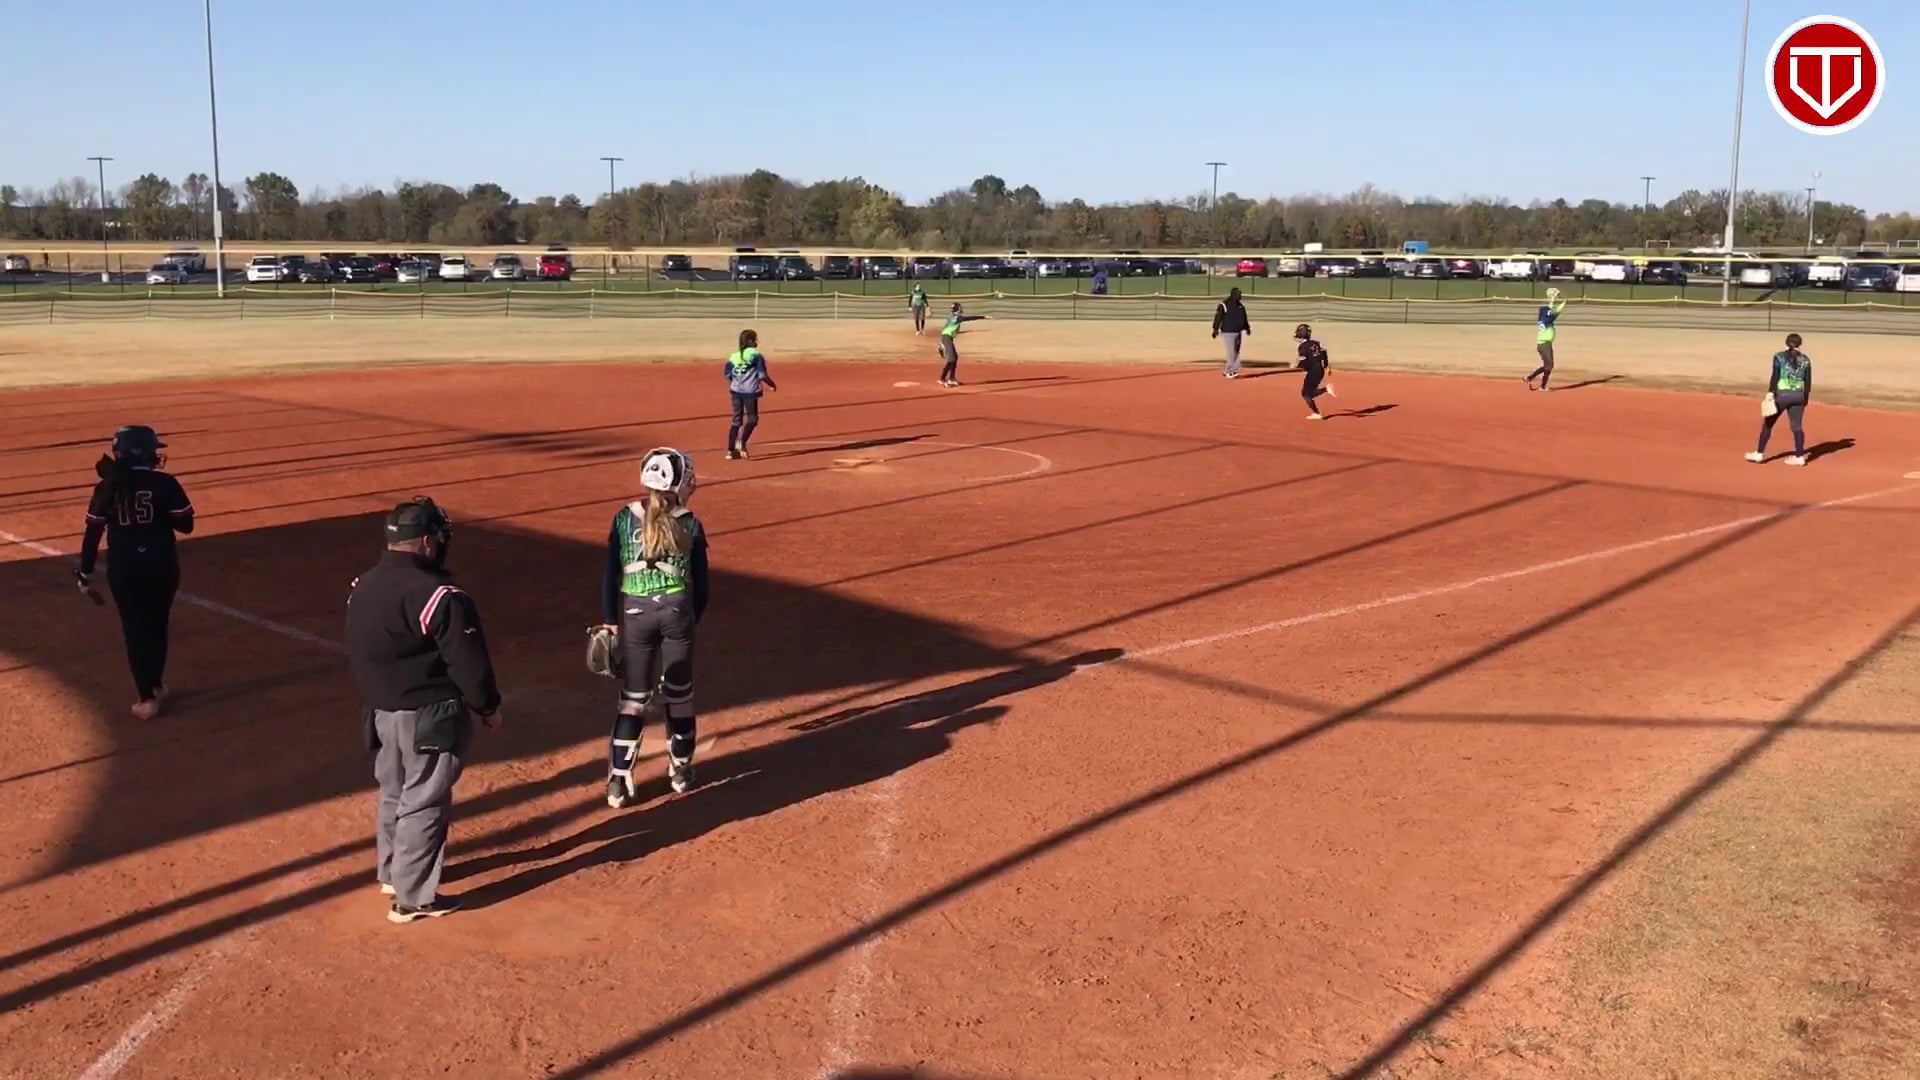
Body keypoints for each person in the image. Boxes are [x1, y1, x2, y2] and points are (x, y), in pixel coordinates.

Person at [345, 497, 503, 924]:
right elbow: (468, 663)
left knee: (394, 791)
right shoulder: (440, 595)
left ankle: (392, 873)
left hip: (381, 710)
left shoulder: (362, 585)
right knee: (425, 799)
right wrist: (487, 706)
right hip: (429, 715)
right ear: (429, 543)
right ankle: (412, 898)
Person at [601, 448, 711, 808]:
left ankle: (618, 782)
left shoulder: (622, 518)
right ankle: (680, 771)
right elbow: (702, 588)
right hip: (677, 613)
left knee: (633, 699)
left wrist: (611, 622)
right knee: (679, 695)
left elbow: (609, 576)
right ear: (677, 483)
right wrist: (689, 622)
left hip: (635, 615)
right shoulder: (690, 523)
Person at [74, 425, 194, 721]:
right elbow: (185, 525)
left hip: (124, 567)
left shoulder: (107, 486)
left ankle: (146, 696)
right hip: (162, 563)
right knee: (157, 624)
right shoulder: (165, 483)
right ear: (146, 453)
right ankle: (156, 683)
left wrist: (85, 571)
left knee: (134, 629)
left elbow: (92, 534)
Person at [1746, 333, 1813, 466]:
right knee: (1797, 427)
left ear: (1786, 343)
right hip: (1799, 395)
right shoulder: (1806, 360)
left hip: (1782, 395)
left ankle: (1759, 453)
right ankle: (1800, 456)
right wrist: (1805, 399)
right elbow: (1808, 381)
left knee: (1768, 425)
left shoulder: (1779, 357)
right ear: (1800, 344)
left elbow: (1775, 376)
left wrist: (1771, 392)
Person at [724, 329, 778, 460]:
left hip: (735, 391)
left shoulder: (733, 356)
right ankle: (742, 442)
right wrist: (771, 384)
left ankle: (730, 451)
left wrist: (737, 383)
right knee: (752, 419)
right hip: (750, 392)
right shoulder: (756, 356)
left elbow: (727, 374)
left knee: (736, 420)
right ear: (751, 341)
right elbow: (762, 375)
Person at [937, 302, 991, 388]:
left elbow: (947, 329)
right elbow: (969, 318)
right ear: (957, 309)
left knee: (955, 358)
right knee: (951, 360)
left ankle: (951, 378)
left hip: (947, 339)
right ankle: (942, 379)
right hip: (946, 339)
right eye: (959, 307)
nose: (961, 309)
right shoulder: (957, 317)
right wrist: (983, 317)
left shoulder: (952, 317)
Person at [1525, 289, 1566, 391]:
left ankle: (1532, 380)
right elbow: (1559, 307)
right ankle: (1534, 381)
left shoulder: (1542, 318)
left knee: (1547, 366)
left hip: (1542, 344)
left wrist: (1552, 299)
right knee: (1549, 365)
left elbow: (1549, 310)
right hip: (1545, 345)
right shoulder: (1549, 319)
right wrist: (1560, 297)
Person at [1296, 323, 1338, 420]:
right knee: (1309, 393)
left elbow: (1305, 362)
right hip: (1320, 370)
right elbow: (1324, 353)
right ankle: (1325, 391)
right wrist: (1326, 366)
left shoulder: (1302, 347)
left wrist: (1299, 366)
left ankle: (1317, 412)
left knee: (1305, 394)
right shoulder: (1316, 343)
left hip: (1313, 371)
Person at [1211, 287, 1252, 379]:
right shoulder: (1223, 305)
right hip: (1228, 332)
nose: (1240, 296)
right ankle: (1230, 371)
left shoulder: (1241, 306)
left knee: (1236, 351)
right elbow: (1218, 318)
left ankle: (1232, 370)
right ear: (1233, 295)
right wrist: (1215, 329)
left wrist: (1247, 328)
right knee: (1231, 352)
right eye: (1238, 294)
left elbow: (1244, 318)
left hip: (1238, 331)